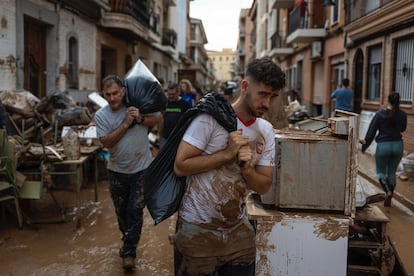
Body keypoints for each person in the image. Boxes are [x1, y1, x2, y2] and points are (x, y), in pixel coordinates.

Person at [172, 57, 285, 275]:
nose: (267, 104)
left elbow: (263, 186)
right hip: (197, 228)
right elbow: (181, 165)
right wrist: (226, 155)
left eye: (273, 97)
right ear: (245, 87)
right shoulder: (210, 119)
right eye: (263, 94)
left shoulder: (266, 131)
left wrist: (246, 169)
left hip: (238, 232)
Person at [94, 75, 162, 270]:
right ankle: (128, 238)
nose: (112, 98)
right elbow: (106, 142)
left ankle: (129, 251)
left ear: (123, 91)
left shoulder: (137, 106)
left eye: (115, 93)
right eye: (108, 95)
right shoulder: (101, 115)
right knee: (121, 212)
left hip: (142, 168)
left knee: (135, 210)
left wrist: (140, 118)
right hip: (116, 171)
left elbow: (158, 118)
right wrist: (125, 124)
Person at [361, 92, 407, 207]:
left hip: (383, 146)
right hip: (398, 145)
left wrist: (364, 147)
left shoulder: (380, 114)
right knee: (392, 172)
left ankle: (388, 192)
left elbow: (371, 132)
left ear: (388, 101)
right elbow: (403, 129)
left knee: (381, 172)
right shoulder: (403, 114)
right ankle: (390, 196)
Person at [158, 82, 191, 147]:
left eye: (173, 94)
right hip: (165, 137)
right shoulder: (165, 103)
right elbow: (161, 120)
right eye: (169, 94)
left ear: (178, 92)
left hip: (179, 138)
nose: (171, 96)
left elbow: (189, 121)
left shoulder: (185, 105)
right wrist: (159, 136)